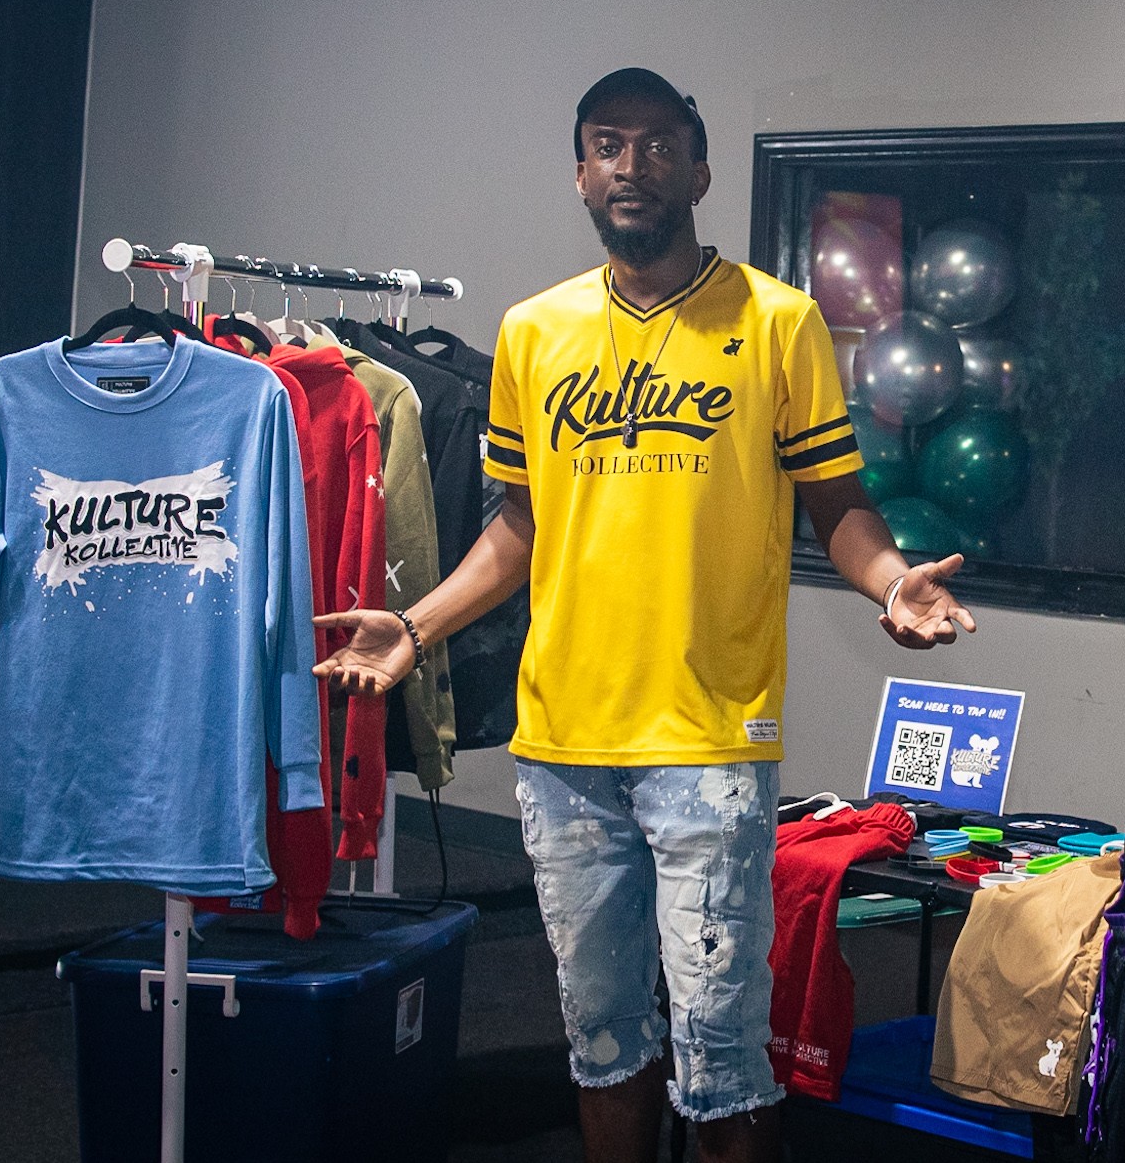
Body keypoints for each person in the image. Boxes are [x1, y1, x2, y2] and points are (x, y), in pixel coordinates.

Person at [312, 67, 974, 1163]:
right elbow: (519, 525)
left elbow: (836, 503)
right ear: (579, 171)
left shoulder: (777, 320)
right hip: (563, 743)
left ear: (698, 170)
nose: (632, 166)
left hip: (708, 740)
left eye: (658, 145)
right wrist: (415, 624)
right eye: (607, 144)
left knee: (721, 1054)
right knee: (601, 1043)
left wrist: (891, 578)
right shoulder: (534, 331)